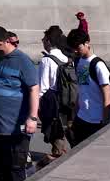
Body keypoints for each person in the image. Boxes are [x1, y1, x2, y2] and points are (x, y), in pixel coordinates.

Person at [0, 26, 40, 181]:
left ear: (8, 41)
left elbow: (34, 88)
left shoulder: (22, 61)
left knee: (15, 168)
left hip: (14, 127)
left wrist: (32, 117)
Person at [66, 28, 110, 144]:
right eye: (73, 48)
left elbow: (107, 97)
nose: (75, 51)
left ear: (87, 43)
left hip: (97, 120)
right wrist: (74, 115)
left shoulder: (98, 65)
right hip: (82, 118)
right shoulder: (80, 62)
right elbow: (83, 89)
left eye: (78, 47)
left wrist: (105, 123)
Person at [38, 26, 72, 161]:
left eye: (44, 39)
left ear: (48, 41)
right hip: (66, 97)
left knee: (53, 128)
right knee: (62, 126)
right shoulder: (66, 57)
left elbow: (43, 86)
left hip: (51, 99)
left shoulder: (47, 60)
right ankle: (60, 151)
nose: (42, 41)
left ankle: (58, 154)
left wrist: (37, 106)